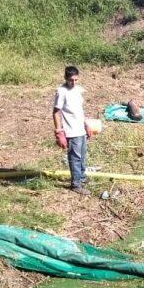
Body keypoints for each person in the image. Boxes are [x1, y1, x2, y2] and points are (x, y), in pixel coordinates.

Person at [53, 66, 91, 195]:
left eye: (76, 80)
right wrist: (59, 132)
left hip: (80, 129)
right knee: (75, 157)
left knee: (82, 155)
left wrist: (86, 125)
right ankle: (76, 184)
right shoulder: (62, 92)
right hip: (71, 130)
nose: (73, 83)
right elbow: (56, 112)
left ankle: (81, 177)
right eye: (71, 80)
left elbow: (80, 110)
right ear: (65, 78)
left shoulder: (78, 90)